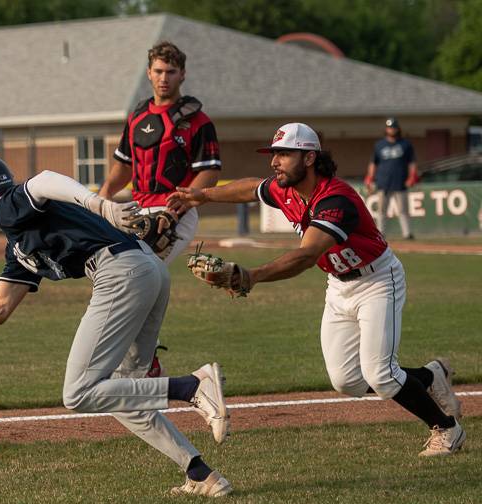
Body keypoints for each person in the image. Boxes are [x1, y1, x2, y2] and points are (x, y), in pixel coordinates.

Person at [0, 156, 232, 497]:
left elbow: (44, 179)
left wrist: (101, 205)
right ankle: (201, 474)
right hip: (144, 268)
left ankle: (191, 386)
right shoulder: (18, 241)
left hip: (121, 272)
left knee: (77, 393)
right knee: (123, 394)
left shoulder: (8, 206)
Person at [168, 122, 465, 457]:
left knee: (381, 375)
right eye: (274, 154)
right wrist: (203, 195)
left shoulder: (335, 200)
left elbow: (307, 255)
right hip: (339, 286)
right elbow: (252, 189)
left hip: (377, 282)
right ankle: (430, 376)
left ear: (309, 158)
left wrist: (252, 275)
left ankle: (447, 429)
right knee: (347, 381)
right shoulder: (288, 190)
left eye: (283, 154)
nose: (274, 161)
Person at [99, 41, 222, 378]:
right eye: (158, 71)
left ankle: (142, 364)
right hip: (137, 210)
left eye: (170, 71)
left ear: (182, 74)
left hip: (174, 211)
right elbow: (122, 167)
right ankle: (143, 362)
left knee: (134, 276)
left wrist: (190, 197)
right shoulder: (138, 115)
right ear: (149, 73)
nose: (164, 78)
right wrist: (100, 200)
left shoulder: (197, 120)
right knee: (121, 277)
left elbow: (210, 168)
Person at [364, 118, 418, 239]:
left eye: (393, 127)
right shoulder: (379, 145)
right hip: (383, 182)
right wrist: (370, 178)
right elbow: (373, 163)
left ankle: (407, 234)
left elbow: (412, 162)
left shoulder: (405, 144)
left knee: (403, 210)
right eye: (389, 128)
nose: (391, 130)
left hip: (400, 182)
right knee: (382, 211)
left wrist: (412, 176)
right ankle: (380, 234)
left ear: (398, 129)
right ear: (386, 129)